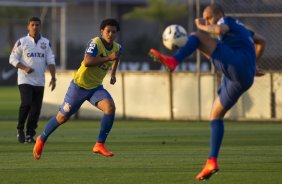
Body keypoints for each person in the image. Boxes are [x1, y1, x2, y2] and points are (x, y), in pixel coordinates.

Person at [149, 4, 266, 181]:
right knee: (215, 115)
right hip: (242, 75)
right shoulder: (242, 30)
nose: (207, 21)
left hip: (236, 65)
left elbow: (219, 28)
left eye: (208, 18)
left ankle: (174, 61)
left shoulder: (226, 21)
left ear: (218, 14)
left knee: (196, 36)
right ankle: (211, 161)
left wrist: (201, 27)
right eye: (205, 19)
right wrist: (251, 65)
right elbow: (262, 41)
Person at [33, 18, 122, 160]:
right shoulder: (95, 43)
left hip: (95, 88)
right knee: (62, 118)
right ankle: (41, 139)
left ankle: (99, 144)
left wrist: (113, 74)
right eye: (108, 31)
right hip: (79, 87)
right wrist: (108, 58)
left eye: (113, 32)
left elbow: (117, 57)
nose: (110, 34)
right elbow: (87, 61)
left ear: (117, 33)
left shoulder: (117, 47)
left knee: (110, 108)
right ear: (102, 32)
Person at [9, 17, 56, 144]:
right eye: (32, 25)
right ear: (28, 26)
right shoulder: (22, 42)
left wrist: (53, 77)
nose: (35, 27)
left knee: (36, 109)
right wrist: (24, 68)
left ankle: (30, 134)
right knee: (26, 104)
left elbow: (51, 61)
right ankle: (20, 129)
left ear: (40, 26)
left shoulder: (46, 43)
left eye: (37, 25)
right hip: (25, 80)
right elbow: (12, 59)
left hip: (40, 81)